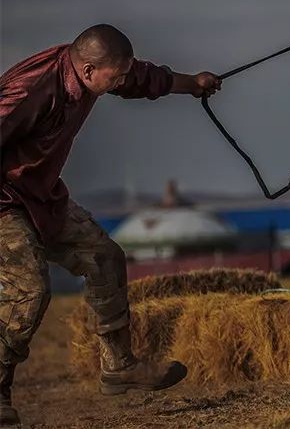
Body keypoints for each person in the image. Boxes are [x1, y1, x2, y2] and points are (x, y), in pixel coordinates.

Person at [0, 25, 221, 426]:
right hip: (3, 202)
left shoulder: (95, 70)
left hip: (40, 198)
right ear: (87, 71)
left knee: (105, 257)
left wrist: (193, 84)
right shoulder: (30, 91)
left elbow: (141, 78)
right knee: (29, 290)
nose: (121, 82)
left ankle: (119, 365)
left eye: (122, 75)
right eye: (114, 77)